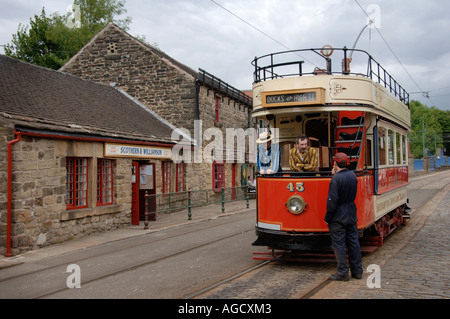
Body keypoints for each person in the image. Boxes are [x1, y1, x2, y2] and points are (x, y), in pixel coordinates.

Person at [325, 152, 363, 281]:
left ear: (335, 163)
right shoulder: (352, 175)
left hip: (338, 215)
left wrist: (328, 217)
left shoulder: (336, 179)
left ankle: (343, 272)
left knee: (339, 244)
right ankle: (357, 271)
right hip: (351, 212)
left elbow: (332, 200)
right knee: (353, 243)